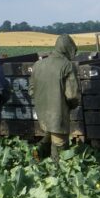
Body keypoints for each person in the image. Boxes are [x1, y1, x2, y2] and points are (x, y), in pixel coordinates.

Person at [29, 34, 80, 162]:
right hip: (58, 111)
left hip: (42, 111)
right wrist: (73, 105)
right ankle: (57, 171)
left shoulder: (38, 65)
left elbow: (31, 90)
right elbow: (72, 95)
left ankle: (39, 151)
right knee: (60, 144)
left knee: (50, 131)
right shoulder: (67, 65)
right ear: (68, 49)